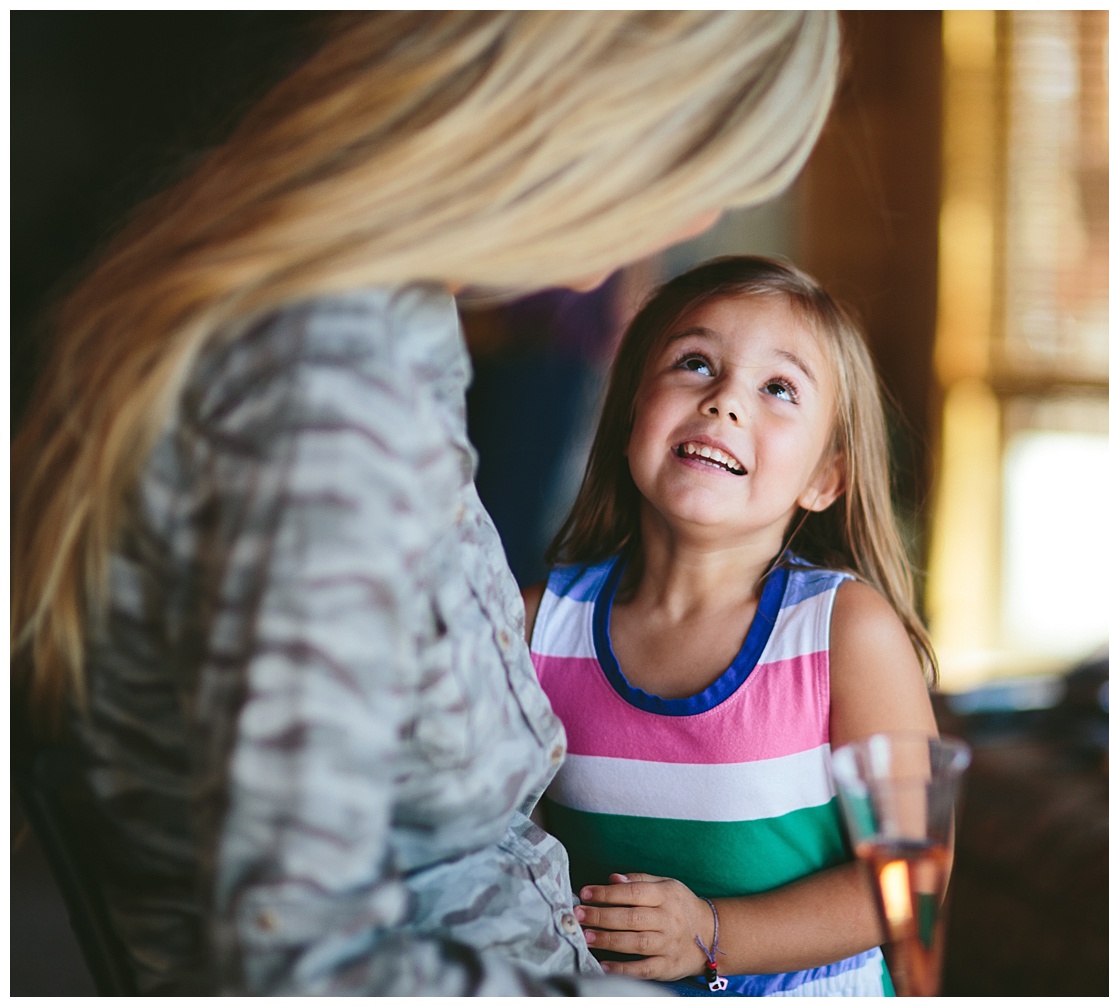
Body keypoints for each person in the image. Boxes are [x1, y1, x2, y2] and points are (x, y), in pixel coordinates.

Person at [10, 12, 840, 996]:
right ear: (599, 107)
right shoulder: (326, 388)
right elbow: (301, 962)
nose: (698, 221)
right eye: (700, 163)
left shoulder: (397, 320)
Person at [524, 256, 940, 996]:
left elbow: (912, 874)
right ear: (627, 416)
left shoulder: (846, 633)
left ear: (825, 477)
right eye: (695, 363)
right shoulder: (533, 627)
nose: (724, 401)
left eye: (778, 388)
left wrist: (713, 933)